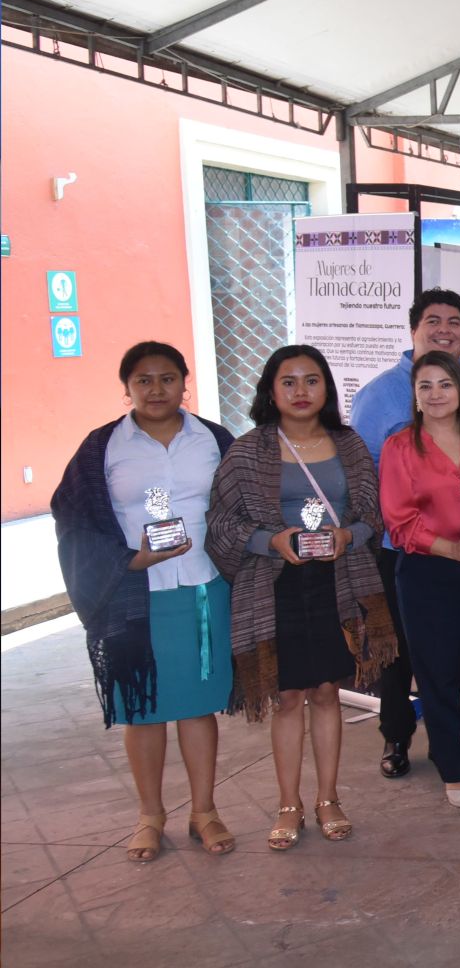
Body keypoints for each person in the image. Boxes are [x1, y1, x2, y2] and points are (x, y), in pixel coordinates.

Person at [53, 342, 238, 862]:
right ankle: (150, 816)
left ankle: (204, 811)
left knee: (199, 707)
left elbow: (244, 503)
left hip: (203, 588)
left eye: (167, 379)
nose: (156, 390)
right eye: (143, 380)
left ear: (185, 382)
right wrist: (126, 562)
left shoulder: (213, 439)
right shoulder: (103, 447)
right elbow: (71, 515)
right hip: (136, 595)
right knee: (144, 707)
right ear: (127, 387)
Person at [207, 345, 398, 850]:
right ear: (270, 390)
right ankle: (288, 803)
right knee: (288, 697)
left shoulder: (349, 445)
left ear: (326, 390)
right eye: (288, 381)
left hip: (338, 583)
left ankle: (329, 798)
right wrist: (269, 541)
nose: (300, 391)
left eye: (311, 380)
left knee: (326, 692)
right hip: (274, 589)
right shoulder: (247, 452)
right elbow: (222, 523)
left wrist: (347, 537)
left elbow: (373, 517)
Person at [352, 288, 460, 781]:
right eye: (432, 320)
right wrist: (446, 546)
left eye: (454, 322)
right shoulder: (382, 404)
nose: (444, 329)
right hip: (414, 557)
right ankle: (419, 747)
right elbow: (383, 500)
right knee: (419, 665)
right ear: (413, 328)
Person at [378, 351, 460, 809]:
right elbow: (398, 520)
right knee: (439, 673)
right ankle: (454, 765)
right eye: (424, 386)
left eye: (444, 385)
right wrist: (450, 548)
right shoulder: (400, 447)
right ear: (413, 396)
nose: (435, 395)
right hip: (428, 572)